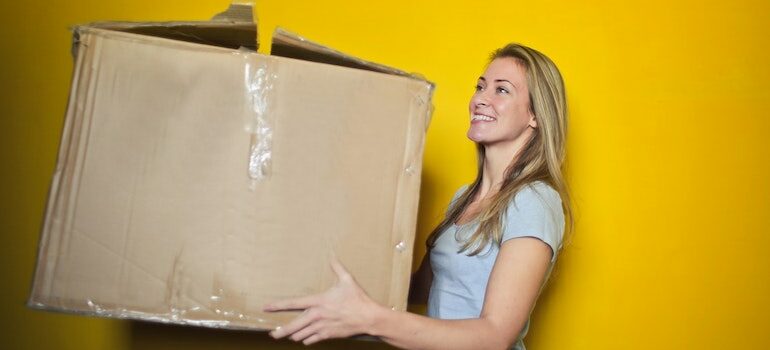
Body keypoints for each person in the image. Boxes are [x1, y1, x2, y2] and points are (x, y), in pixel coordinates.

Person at [264, 43, 572, 350]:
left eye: (502, 90)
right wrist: (322, 276)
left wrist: (370, 319)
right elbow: (419, 289)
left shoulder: (533, 200)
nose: (480, 99)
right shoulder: (464, 198)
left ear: (535, 115)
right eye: (480, 87)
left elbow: (495, 336)